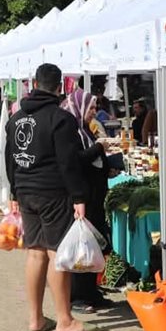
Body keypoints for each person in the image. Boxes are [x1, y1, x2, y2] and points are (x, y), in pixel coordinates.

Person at [4, 63, 99, 331]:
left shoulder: (16, 118)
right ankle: (64, 319)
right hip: (53, 193)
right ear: (60, 88)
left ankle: (35, 318)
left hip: (25, 191)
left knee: (35, 252)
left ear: (35, 84)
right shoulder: (60, 118)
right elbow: (68, 163)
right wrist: (79, 196)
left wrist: (14, 193)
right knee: (57, 253)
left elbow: (9, 159)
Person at [62, 89, 112, 313]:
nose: (94, 112)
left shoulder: (84, 129)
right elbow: (76, 161)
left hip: (94, 197)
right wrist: (99, 147)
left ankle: (91, 292)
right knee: (82, 247)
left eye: (94, 107)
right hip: (83, 197)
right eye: (90, 108)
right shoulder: (71, 131)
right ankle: (77, 296)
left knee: (93, 245)